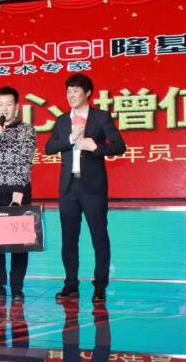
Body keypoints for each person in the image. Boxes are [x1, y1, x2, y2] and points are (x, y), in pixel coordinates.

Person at [45, 73, 126, 302]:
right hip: (68, 188)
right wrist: (70, 139)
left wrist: (96, 147)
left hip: (92, 188)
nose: (71, 95)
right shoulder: (62, 120)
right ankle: (71, 285)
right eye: (68, 91)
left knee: (99, 238)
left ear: (87, 93)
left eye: (76, 91)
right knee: (69, 240)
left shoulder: (101, 117)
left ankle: (100, 286)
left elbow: (119, 146)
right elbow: (49, 148)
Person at [0, 86, 36, 302]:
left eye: (8, 104)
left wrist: (19, 191)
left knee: (20, 241)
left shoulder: (27, 129)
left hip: (18, 191)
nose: (4, 108)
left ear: (16, 106)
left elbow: (25, 160)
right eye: (0, 104)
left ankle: (17, 287)